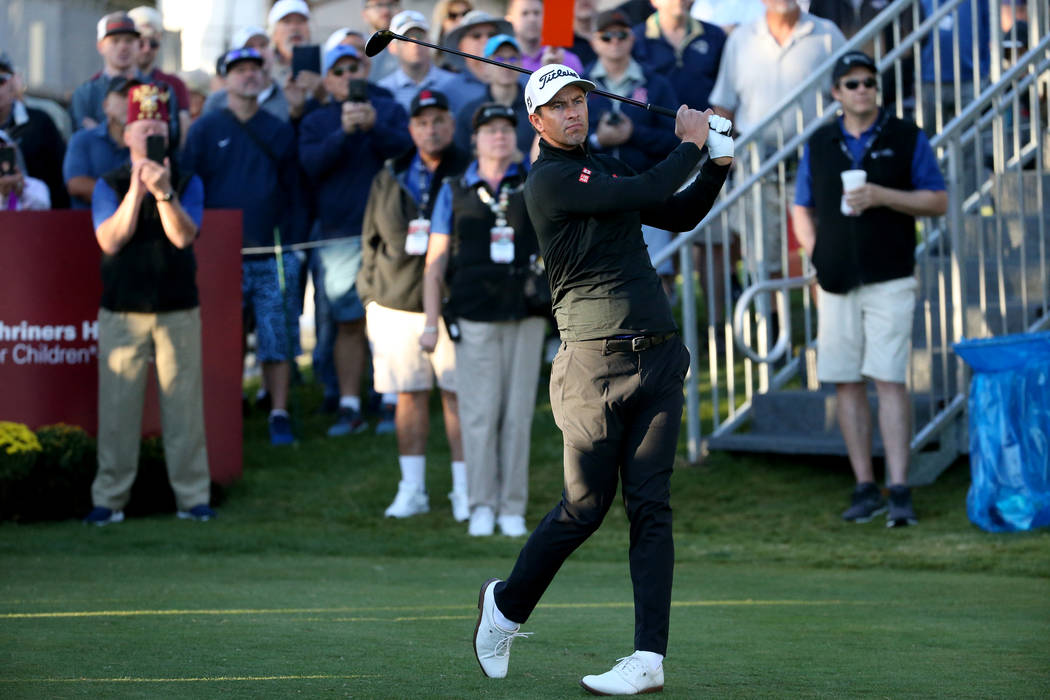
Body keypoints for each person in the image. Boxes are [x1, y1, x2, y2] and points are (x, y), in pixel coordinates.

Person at [471, 64, 734, 693]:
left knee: (651, 507)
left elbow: (676, 212)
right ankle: (505, 607)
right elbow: (643, 186)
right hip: (594, 367)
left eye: (580, 100)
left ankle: (648, 658)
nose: (574, 112)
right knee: (585, 508)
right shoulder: (551, 181)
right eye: (558, 105)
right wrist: (692, 141)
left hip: (659, 357)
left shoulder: (606, 168)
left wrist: (718, 165)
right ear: (535, 121)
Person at [791, 51, 947, 528]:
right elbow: (802, 206)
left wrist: (882, 196)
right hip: (836, 281)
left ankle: (898, 488)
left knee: (889, 380)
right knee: (846, 381)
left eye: (869, 82)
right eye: (853, 83)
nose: (863, 89)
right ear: (836, 93)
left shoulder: (906, 136)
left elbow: (938, 200)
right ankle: (865, 486)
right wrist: (817, 255)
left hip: (891, 276)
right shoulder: (818, 142)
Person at [83, 83, 213, 526]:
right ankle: (110, 500)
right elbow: (110, 239)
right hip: (122, 312)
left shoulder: (189, 179)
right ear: (127, 136)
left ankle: (193, 498)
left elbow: (184, 235)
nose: (151, 136)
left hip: (177, 310)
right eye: (143, 129)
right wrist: (138, 192)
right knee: (117, 413)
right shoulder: (109, 183)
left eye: (159, 128)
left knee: (184, 410)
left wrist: (163, 193)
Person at [422, 103, 545, 538]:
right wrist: (431, 322)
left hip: (525, 314)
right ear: (473, 139)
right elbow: (435, 262)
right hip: (472, 316)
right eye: (489, 130)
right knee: (477, 413)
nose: (499, 136)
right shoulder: (453, 189)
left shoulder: (532, 182)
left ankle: (512, 505)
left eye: (506, 129)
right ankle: (480, 504)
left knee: (516, 415)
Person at [182, 47, 308, 446]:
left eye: (256, 69)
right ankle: (227, 405)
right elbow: (188, 186)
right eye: (240, 70)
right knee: (225, 336)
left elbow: (295, 190)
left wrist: (295, 242)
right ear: (225, 79)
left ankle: (279, 411)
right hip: (220, 254)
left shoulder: (279, 128)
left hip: (273, 251)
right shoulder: (205, 129)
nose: (249, 76)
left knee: (277, 335)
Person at [357, 89, 471, 521]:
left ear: (451, 123)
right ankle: (412, 490)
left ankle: (464, 491)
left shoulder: (469, 170)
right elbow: (369, 237)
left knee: (458, 397)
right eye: (422, 122)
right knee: (409, 395)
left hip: (454, 301)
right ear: (411, 128)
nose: (431, 128)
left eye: (439, 120)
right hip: (395, 302)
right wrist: (369, 293)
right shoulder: (392, 171)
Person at [298, 44, 411, 438]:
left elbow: (407, 150)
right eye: (340, 70)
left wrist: (373, 126)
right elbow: (310, 167)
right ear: (328, 80)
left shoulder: (389, 108)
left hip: (389, 233)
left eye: (355, 68)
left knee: (390, 321)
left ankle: (391, 398)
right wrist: (343, 133)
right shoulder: (317, 119)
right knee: (348, 321)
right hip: (339, 235)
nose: (349, 76)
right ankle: (349, 403)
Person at [586, 9, 682, 299]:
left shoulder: (655, 83)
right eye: (607, 35)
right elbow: (563, 139)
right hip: (592, 197)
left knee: (655, 278)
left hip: (645, 195)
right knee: (600, 281)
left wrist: (633, 135)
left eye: (621, 34)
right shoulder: (578, 85)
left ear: (632, 39)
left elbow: (674, 141)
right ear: (594, 41)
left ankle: (664, 342)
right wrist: (597, 140)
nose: (614, 41)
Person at [71, 13, 180, 143]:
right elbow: (82, 139)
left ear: (139, 45)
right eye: (115, 41)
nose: (123, 47)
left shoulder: (161, 90)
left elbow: (171, 136)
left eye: (129, 40)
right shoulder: (85, 94)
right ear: (101, 46)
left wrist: (103, 129)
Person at [0, 52, 68, 209]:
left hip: (37, 222)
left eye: (0, 81)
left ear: (13, 83)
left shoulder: (41, 124)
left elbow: (59, 183)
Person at [632, 0, 726, 113]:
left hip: (705, 123)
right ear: (654, 1)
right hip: (657, 126)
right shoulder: (634, 39)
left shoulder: (714, 35)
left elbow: (726, 87)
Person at [377, 10, 475, 116]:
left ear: (429, 40)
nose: (414, 43)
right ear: (392, 47)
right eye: (405, 39)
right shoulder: (383, 90)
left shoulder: (454, 82)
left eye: (419, 36)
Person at [453, 35, 534, 159]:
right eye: (499, 59)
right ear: (485, 66)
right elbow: (461, 157)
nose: (507, 65)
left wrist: (523, 160)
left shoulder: (536, 108)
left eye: (513, 58)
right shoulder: (470, 112)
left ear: (521, 63)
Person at [63, 77, 134, 209]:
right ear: (105, 105)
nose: (129, 102)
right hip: (86, 224)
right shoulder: (83, 139)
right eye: (123, 95)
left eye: (134, 97)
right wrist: (132, 198)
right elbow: (76, 185)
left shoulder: (148, 141)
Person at [202, 27, 295, 122]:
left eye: (263, 45)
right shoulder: (217, 101)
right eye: (249, 47)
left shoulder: (290, 97)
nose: (259, 52)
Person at [127, 6, 191, 144]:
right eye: (141, 42)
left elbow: (182, 138)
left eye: (153, 43)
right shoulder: (111, 84)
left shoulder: (175, 84)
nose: (147, 49)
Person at [267, 0, 327, 122]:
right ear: (273, 33)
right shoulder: (263, 69)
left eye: (301, 21)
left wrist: (323, 95)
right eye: (286, 22)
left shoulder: (329, 63)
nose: (295, 28)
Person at [445, 10, 515, 96]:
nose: (486, 40)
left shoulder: (524, 82)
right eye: (476, 36)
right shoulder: (449, 90)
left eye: (491, 35)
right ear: (461, 46)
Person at [506, 0, 586, 74]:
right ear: (509, 20)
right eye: (525, 13)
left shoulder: (568, 61)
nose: (532, 19)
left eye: (536, 13)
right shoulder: (503, 61)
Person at [0, 131, 51, 210]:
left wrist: (21, 192)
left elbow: (44, 211)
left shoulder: (36, 186)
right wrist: (3, 196)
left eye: (3, 150)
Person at [360, 0, 402, 82]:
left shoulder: (414, 43)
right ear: (365, 14)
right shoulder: (357, 49)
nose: (386, 11)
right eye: (378, 5)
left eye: (391, 4)